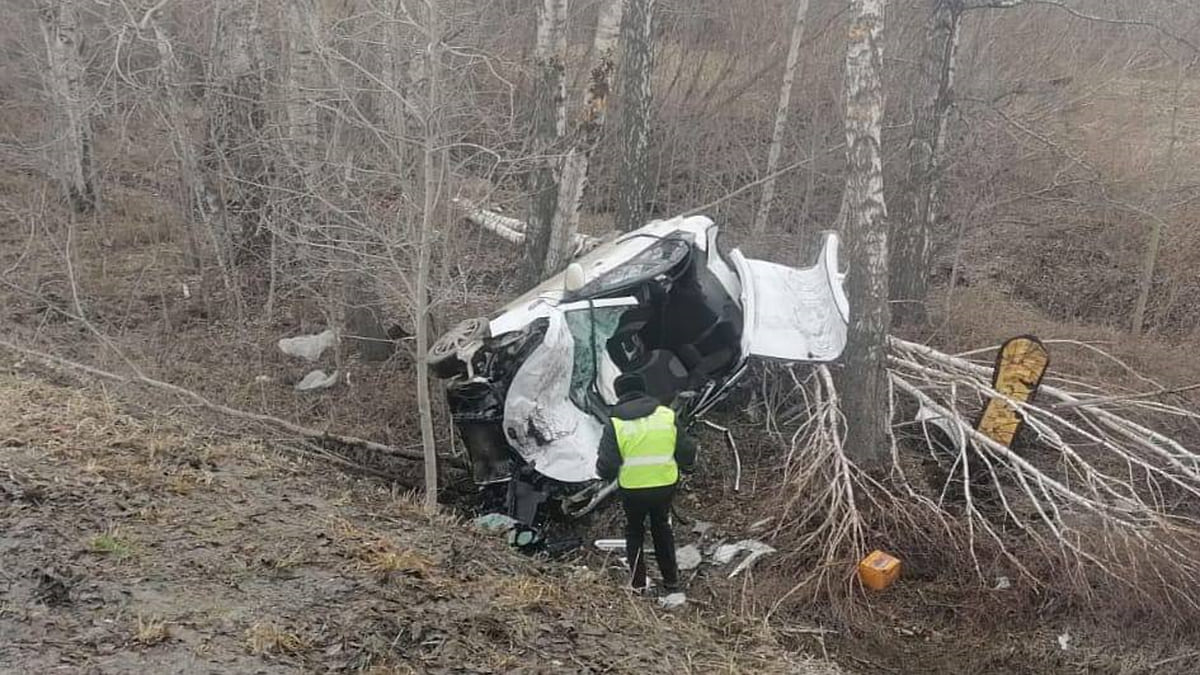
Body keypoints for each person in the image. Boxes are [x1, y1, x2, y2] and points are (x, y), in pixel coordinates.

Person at [596, 373, 696, 593]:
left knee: (634, 531)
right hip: (664, 485)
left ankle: (638, 582)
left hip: (633, 490)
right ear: (644, 389)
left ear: (619, 394)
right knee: (662, 527)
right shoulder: (666, 414)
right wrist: (686, 465)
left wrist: (604, 474)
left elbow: (608, 464)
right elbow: (687, 449)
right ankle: (671, 579)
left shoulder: (615, 423)